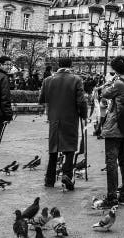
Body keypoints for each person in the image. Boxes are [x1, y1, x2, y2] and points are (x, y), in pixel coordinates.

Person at [38, 57, 87, 191]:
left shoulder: (48, 80)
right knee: (69, 148)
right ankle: (67, 175)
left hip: (54, 117)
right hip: (70, 117)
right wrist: (84, 115)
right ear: (71, 66)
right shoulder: (76, 79)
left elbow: (42, 98)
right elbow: (81, 101)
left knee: (53, 148)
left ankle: (50, 179)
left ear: (58, 65)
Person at [99, 56, 124, 208]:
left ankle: (111, 197)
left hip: (115, 126)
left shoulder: (119, 83)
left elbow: (104, 93)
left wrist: (109, 80)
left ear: (115, 69)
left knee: (111, 162)